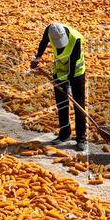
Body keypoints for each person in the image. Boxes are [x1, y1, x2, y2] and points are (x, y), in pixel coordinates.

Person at [30, 23, 87, 152]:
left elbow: (72, 66)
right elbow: (43, 42)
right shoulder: (50, 30)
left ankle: (81, 138)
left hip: (76, 74)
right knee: (62, 104)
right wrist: (38, 57)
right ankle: (65, 134)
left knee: (79, 106)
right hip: (59, 72)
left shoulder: (75, 39)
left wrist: (68, 88)